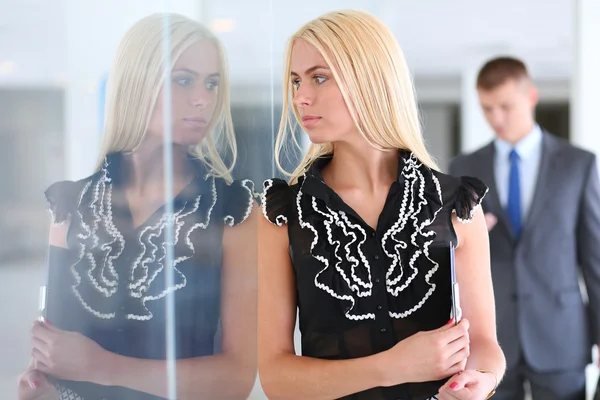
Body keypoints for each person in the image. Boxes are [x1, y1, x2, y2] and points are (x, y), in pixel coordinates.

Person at [258, 9, 506, 400]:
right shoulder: (283, 214)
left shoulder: (455, 205)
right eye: (295, 81)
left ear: (369, 80)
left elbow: (487, 346)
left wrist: (482, 380)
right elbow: (275, 378)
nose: (300, 97)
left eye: (319, 77)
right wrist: (393, 366)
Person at [17, 13, 257, 400]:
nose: (204, 99)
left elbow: (236, 380)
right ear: (137, 83)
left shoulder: (235, 212)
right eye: (183, 80)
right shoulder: (70, 205)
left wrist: (102, 367)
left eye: (212, 84)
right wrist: (35, 383)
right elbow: (52, 361)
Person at [449, 56, 600, 400]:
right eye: (487, 108)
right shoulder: (464, 168)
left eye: (505, 106)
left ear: (530, 96)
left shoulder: (578, 165)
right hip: (492, 340)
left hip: (562, 337)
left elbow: (595, 259)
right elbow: (450, 257)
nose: (496, 118)